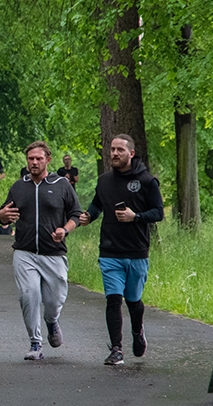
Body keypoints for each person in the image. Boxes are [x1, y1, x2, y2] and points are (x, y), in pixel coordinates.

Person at [77, 134, 164, 366]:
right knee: (113, 299)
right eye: (112, 150)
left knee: (133, 300)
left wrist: (135, 217)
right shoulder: (105, 180)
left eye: (120, 150)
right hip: (110, 250)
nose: (114, 154)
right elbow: (97, 204)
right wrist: (89, 216)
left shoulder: (146, 181)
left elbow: (158, 213)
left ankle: (138, 332)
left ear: (131, 153)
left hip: (136, 251)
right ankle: (116, 349)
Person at [0, 141, 81, 361]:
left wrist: (65, 229)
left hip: (53, 253)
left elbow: (76, 215)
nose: (34, 162)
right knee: (29, 295)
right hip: (25, 253)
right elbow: (3, 213)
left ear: (48, 160)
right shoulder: (19, 186)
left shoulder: (62, 184)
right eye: (31, 159)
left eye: (38, 158)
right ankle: (35, 343)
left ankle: (52, 321)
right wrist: (2, 217)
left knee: (54, 301)